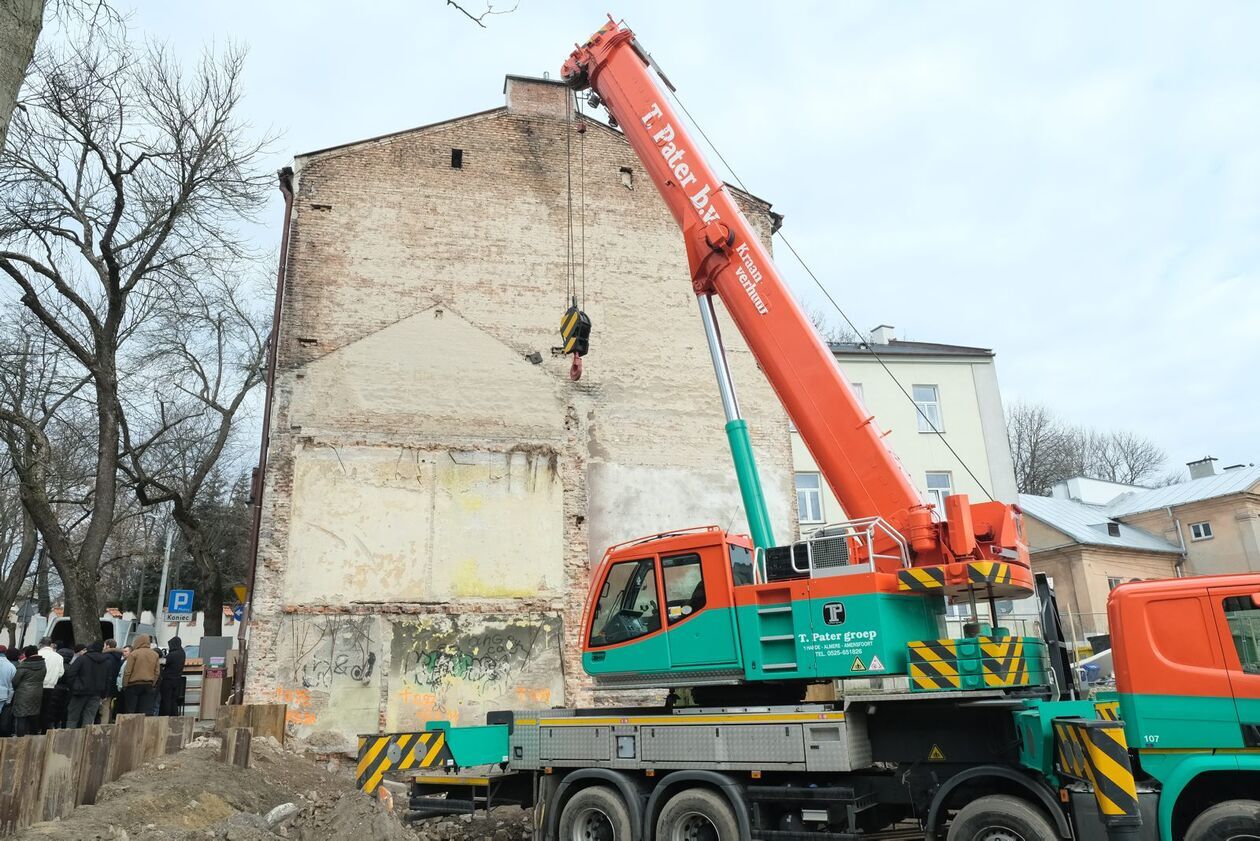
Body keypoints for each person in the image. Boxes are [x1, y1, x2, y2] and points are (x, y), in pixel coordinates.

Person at [65, 642, 114, 728]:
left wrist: (73, 687)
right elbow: (108, 679)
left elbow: (71, 674)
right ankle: (86, 739)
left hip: (80, 692)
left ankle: (70, 738)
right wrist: (104, 694)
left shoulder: (82, 659)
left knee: (72, 718)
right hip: (96, 693)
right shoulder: (107, 662)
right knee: (89, 719)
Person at [11, 646, 46, 736]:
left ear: (27, 654)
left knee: (21, 717)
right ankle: (34, 740)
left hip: (23, 694)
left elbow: (15, 681)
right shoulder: (43, 664)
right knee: (33, 716)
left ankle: (20, 740)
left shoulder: (23, 666)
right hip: (37, 693)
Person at [121, 634, 159, 716]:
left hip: (133, 685)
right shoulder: (155, 654)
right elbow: (157, 672)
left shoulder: (134, 654)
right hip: (148, 684)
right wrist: (153, 683)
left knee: (131, 711)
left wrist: (125, 684)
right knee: (145, 711)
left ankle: (131, 727)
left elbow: (128, 671)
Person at [36, 637, 62, 734]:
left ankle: (34, 730)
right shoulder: (59, 657)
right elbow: (61, 673)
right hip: (51, 687)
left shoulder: (38, 654)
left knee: (35, 709)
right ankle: (44, 731)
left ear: (41, 644)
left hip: (38, 685)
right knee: (46, 710)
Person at [159, 636, 186, 717]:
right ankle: (174, 716)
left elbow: (162, 662)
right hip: (177, 680)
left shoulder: (172, 654)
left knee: (166, 700)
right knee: (173, 700)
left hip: (168, 680)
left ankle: (166, 716)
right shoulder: (182, 653)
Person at [101, 640, 124, 724]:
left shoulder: (106, 656)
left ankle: (103, 725)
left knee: (104, 707)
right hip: (114, 685)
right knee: (109, 706)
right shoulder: (119, 658)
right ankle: (109, 722)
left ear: (107, 646)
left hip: (105, 686)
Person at [0, 646, 14, 737]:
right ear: (5, 653)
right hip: (3, 695)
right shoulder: (11, 666)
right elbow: (12, 687)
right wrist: (9, 701)